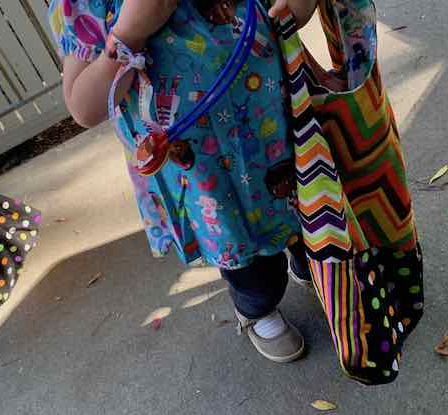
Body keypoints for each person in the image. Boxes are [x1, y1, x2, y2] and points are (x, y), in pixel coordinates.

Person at [48, 0, 317, 363]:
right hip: (204, 169)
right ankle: (258, 308)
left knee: (307, 210)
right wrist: (130, 32)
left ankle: (314, 264)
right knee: (251, 262)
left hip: (275, 128)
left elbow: (287, 14)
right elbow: (84, 106)